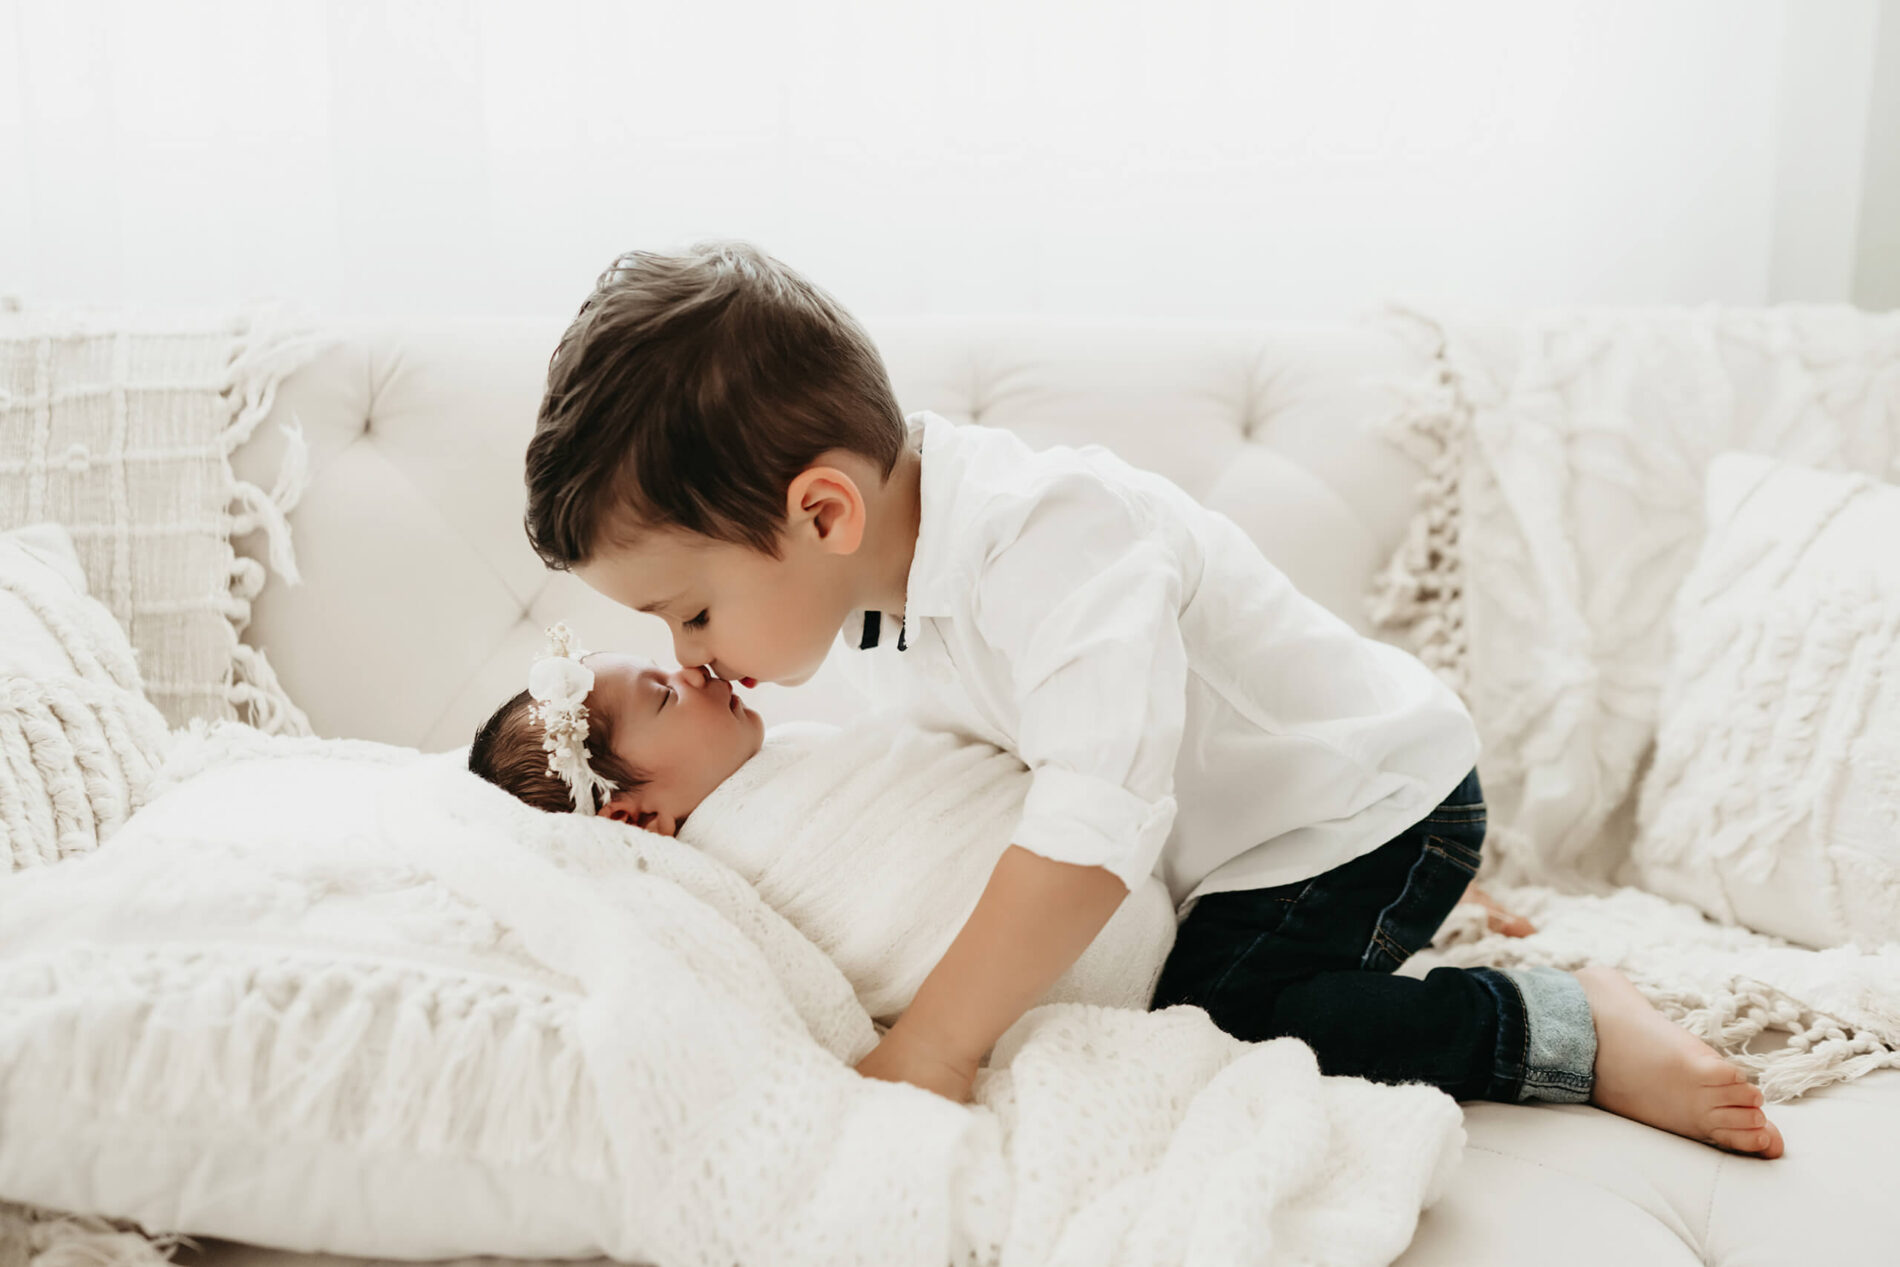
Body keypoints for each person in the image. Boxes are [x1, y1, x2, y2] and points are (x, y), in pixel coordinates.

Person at [514, 240, 1784, 1159]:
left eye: (691, 609)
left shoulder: (1054, 539)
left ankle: (1560, 1024)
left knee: (1219, 1023)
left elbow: (1091, 820)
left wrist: (942, 1043)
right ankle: (1421, 916)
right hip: (1250, 839)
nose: (689, 652)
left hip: (1367, 808)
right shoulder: (888, 594)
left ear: (822, 510)